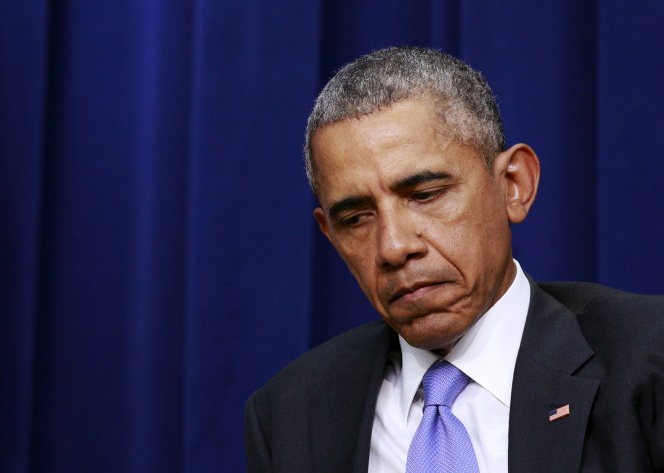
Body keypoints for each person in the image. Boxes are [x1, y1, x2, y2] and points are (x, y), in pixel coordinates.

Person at [244, 46, 664, 472]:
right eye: (356, 219)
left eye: (425, 196)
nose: (392, 247)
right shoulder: (290, 415)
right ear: (331, 236)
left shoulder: (648, 358)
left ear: (513, 185)